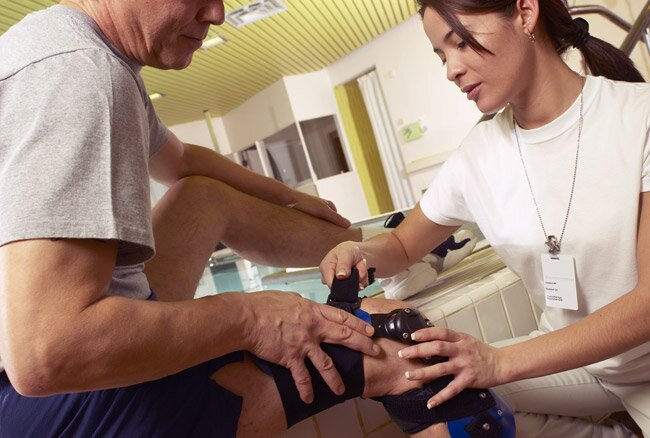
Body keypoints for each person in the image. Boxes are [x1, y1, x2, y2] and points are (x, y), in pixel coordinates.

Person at [0, 1, 497, 437]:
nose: (217, 13)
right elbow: (48, 354)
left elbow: (184, 161)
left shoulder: (78, 51)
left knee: (203, 198)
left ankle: (394, 249)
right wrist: (249, 317)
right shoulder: (76, 74)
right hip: (46, 407)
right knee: (398, 353)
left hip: (42, 376)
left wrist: (291, 198)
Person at [320, 0, 650, 436]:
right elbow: (400, 246)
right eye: (441, 55)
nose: (451, 70)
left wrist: (499, 362)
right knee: (431, 394)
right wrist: (357, 251)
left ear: (525, 13)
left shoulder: (638, 117)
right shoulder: (478, 156)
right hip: (580, 363)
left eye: (460, 42)